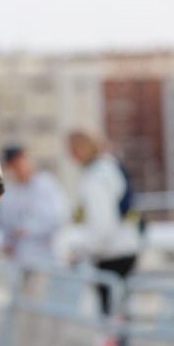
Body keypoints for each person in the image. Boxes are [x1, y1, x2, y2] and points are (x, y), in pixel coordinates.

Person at [66, 130, 141, 316]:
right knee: (121, 315)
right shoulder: (109, 168)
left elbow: (102, 226)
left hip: (111, 254)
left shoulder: (96, 178)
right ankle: (120, 345)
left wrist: (81, 250)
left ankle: (117, 345)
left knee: (113, 320)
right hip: (123, 247)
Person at [0, 145, 68, 267]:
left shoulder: (46, 184)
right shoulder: (9, 193)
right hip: (19, 261)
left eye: (19, 163)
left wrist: (27, 230)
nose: (18, 169)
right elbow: (3, 225)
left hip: (46, 258)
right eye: (13, 166)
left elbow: (59, 217)